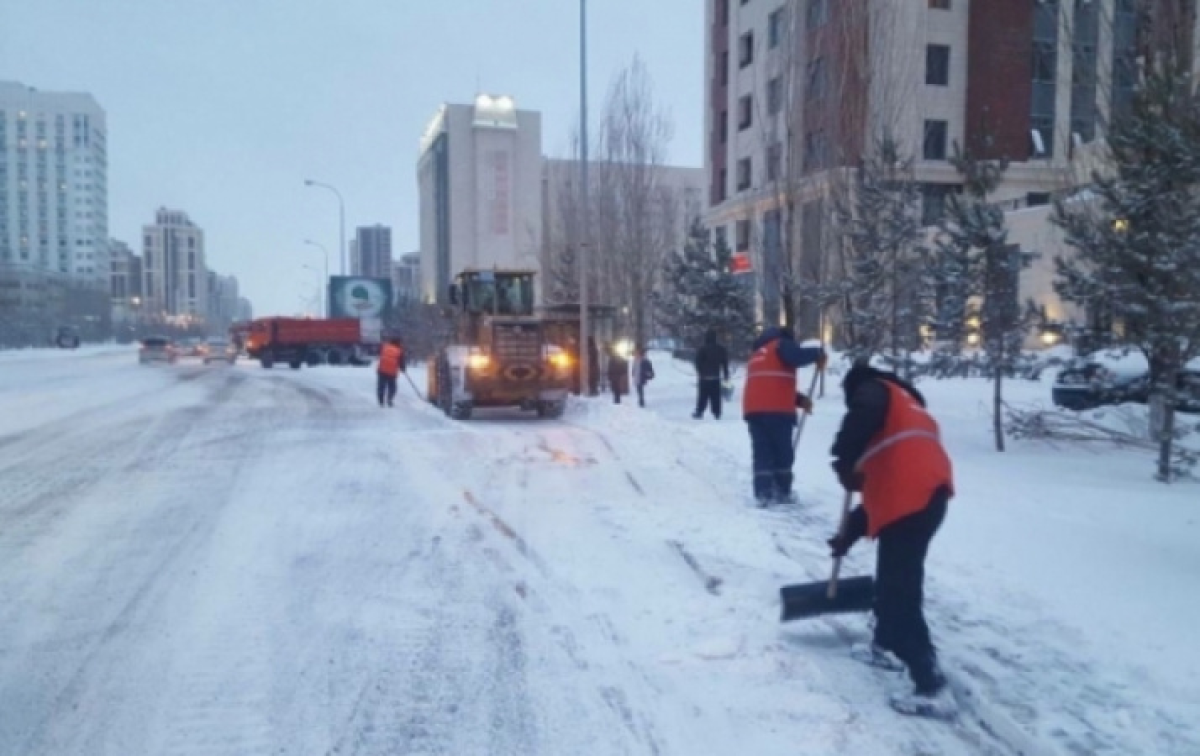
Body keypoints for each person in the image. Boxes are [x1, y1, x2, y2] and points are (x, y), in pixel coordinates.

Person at [826, 362, 955, 717]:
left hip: (910, 501)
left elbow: (862, 410)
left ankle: (931, 684)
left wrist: (843, 458)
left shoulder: (873, 390)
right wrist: (845, 538)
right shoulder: (907, 407)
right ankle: (883, 644)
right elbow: (880, 495)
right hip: (925, 498)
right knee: (895, 577)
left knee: (900, 593)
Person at [742, 327, 825, 506]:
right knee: (783, 453)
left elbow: (770, 383)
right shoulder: (780, 344)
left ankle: (763, 493)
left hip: (755, 412)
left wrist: (800, 400)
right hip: (777, 413)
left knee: (762, 453)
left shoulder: (758, 354)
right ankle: (782, 491)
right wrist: (818, 353)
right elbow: (796, 356)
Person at [693, 329, 730, 419]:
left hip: (704, 378)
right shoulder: (721, 349)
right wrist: (726, 374)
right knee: (716, 397)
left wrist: (700, 371)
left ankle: (699, 411)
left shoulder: (702, 349)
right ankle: (717, 413)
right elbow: (724, 363)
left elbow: (697, 362)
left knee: (702, 396)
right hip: (716, 377)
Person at [376, 338, 406, 407]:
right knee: (392, 387)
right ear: (398, 344)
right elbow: (401, 362)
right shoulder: (399, 351)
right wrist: (403, 368)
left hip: (382, 370)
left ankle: (381, 401)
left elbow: (378, 353)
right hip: (392, 372)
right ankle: (389, 399)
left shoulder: (384, 347)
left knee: (381, 386)